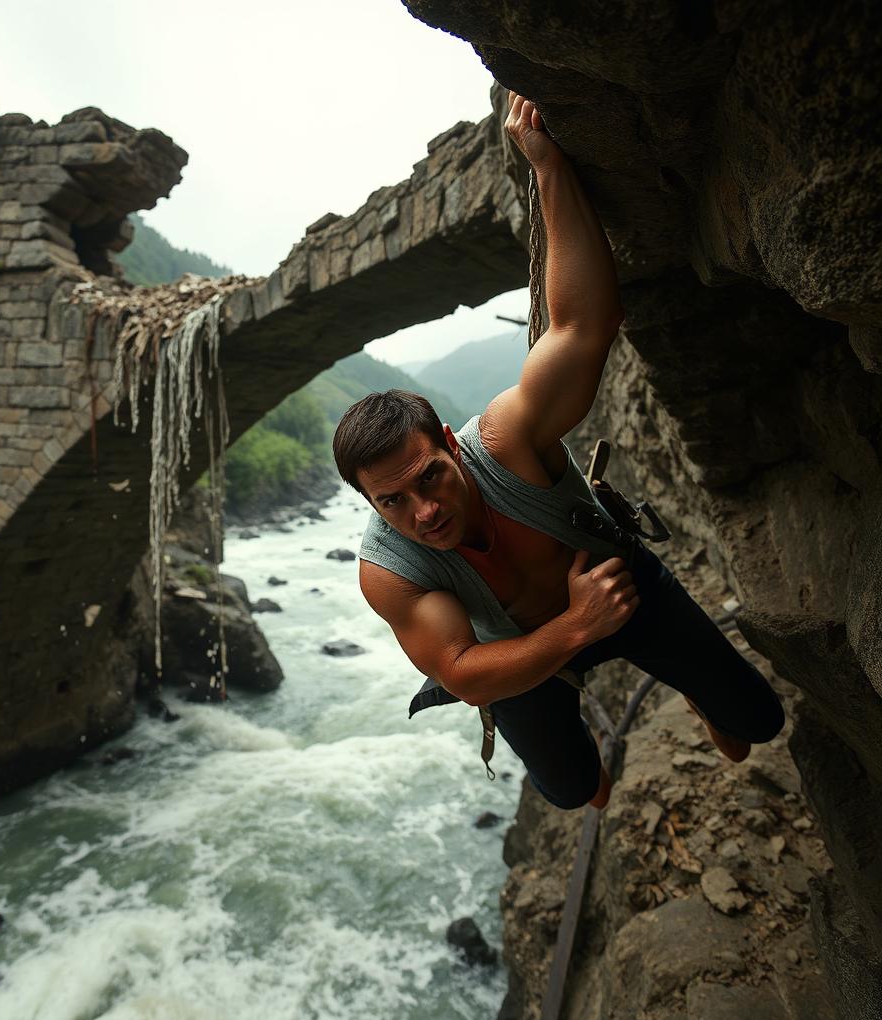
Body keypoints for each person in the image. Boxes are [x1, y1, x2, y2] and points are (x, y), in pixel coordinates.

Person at [331, 92, 785, 811]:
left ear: (452, 445)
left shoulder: (505, 443)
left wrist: (545, 167)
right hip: (524, 655)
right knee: (577, 793)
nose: (422, 512)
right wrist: (576, 626)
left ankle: (698, 693)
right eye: (392, 501)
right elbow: (464, 671)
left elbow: (581, 325)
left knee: (759, 722)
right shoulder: (389, 572)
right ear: (367, 504)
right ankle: (588, 754)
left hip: (618, 587)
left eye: (430, 479)